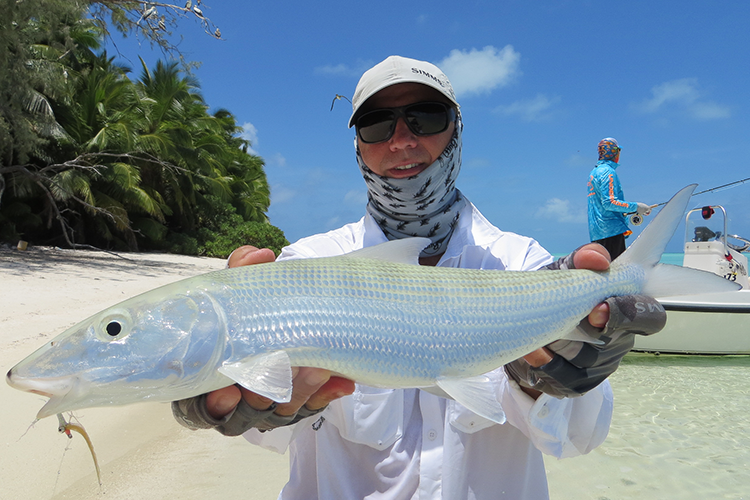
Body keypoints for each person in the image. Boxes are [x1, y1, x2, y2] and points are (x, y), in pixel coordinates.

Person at [172, 56, 665, 499]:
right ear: (357, 147)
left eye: (426, 118)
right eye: (376, 124)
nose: (402, 141)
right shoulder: (306, 265)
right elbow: (267, 433)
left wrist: (552, 377)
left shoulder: (525, 265)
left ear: (457, 131)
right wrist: (209, 400)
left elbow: (580, 438)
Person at [586, 138, 652, 259]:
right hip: (611, 232)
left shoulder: (594, 172)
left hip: (597, 233)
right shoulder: (608, 172)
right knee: (616, 272)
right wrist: (637, 206)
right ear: (614, 152)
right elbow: (609, 202)